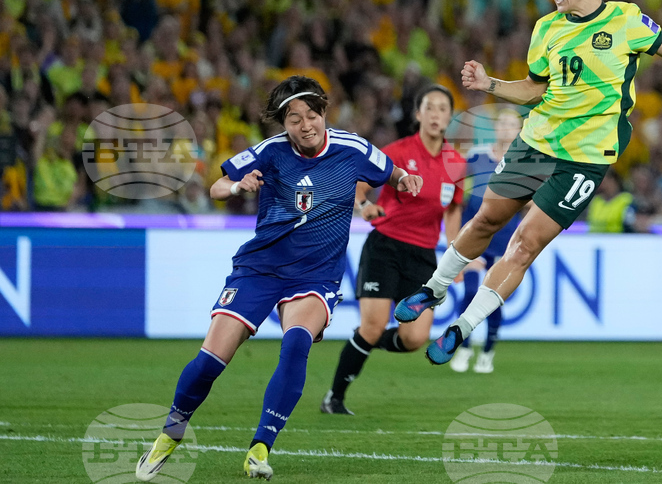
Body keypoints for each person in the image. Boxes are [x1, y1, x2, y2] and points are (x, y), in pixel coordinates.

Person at [393, 0, 662, 364]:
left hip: (586, 159)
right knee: (487, 219)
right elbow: (535, 89)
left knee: (523, 245)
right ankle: (435, 287)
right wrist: (491, 85)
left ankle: (463, 327)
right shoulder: (547, 29)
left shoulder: (627, 20)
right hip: (537, 142)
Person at [136, 76, 421, 481]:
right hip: (261, 267)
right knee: (211, 359)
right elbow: (218, 186)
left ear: (324, 112)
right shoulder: (271, 152)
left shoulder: (353, 148)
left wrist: (405, 180)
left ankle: (260, 447)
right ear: (283, 124)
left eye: (311, 115)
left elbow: (391, 173)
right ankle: (171, 432)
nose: (305, 125)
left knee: (296, 345)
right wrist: (239, 184)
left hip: (315, 273)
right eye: (293, 119)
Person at [320, 84, 465, 414]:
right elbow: (359, 184)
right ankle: (335, 397)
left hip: (423, 255)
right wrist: (364, 205)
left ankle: (364, 344)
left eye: (442, 108)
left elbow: (453, 210)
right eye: (429, 107)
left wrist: (456, 257)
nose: (435, 114)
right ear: (417, 114)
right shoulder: (398, 152)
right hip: (385, 246)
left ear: (449, 117)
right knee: (373, 324)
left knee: (415, 339)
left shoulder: (456, 163)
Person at [450, 107, 524, 374]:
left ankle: (488, 351)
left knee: (492, 298)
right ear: (495, 127)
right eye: (502, 123)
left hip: (505, 242)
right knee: (470, 293)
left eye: (511, 124)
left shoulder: (523, 163)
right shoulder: (476, 158)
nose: (506, 128)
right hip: (477, 238)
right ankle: (465, 346)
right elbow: (460, 198)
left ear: (519, 131)